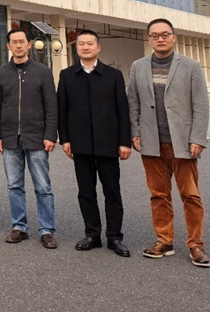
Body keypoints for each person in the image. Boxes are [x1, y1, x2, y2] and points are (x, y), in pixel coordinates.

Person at [127, 18, 210, 267]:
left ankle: (195, 244)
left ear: (174, 37)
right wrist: (135, 131)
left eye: (165, 34)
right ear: (149, 39)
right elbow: (133, 102)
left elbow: (200, 104)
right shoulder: (138, 66)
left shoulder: (191, 66)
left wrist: (197, 137)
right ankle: (164, 240)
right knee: (158, 195)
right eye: (155, 35)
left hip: (182, 142)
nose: (160, 39)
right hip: (151, 142)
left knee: (190, 195)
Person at [57, 30, 131, 257]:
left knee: (112, 192)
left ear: (98, 48)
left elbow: (122, 110)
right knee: (86, 192)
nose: (85, 47)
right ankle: (92, 234)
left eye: (90, 43)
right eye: (81, 44)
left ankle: (115, 237)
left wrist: (124, 142)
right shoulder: (67, 75)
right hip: (80, 144)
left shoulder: (113, 75)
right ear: (76, 47)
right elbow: (62, 110)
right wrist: (65, 139)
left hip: (108, 143)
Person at [0, 28, 59, 249]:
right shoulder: (1, 73)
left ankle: (47, 229)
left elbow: (51, 106)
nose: (18, 45)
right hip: (10, 137)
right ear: (8, 46)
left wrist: (50, 135)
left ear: (29, 44)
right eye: (14, 42)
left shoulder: (43, 72)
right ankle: (19, 226)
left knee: (43, 186)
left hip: (37, 137)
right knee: (14, 185)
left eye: (22, 41)